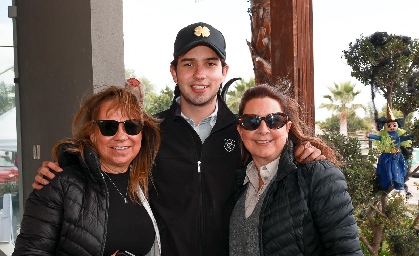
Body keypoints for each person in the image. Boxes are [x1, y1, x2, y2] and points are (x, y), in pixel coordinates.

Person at [33, 22, 324, 256]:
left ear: (223, 72)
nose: (200, 74)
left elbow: (275, 156)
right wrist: (66, 166)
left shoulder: (245, 132)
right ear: (174, 72)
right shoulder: (149, 131)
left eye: (210, 64)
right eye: (188, 64)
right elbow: (108, 156)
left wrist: (302, 153)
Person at [14, 87, 162, 256]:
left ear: (142, 133)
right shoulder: (56, 185)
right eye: (108, 127)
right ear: (92, 134)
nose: (121, 136)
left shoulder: (145, 183)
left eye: (132, 126)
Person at [229, 84, 363, 255]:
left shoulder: (317, 176)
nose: (263, 130)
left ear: (287, 127)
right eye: (251, 122)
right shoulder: (238, 183)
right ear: (240, 130)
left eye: (274, 121)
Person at [366, 104, 413, 190]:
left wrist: (411, 136)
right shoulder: (384, 136)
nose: (392, 127)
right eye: (389, 126)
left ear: (397, 125)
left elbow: (404, 138)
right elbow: (379, 138)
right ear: (385, 126)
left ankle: (397, 184)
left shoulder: (398, 136)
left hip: (396, 156)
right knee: (386, 171)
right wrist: (370, 136)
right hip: (386, 156)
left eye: (394, 125)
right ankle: (385, 185)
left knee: (397, 170)